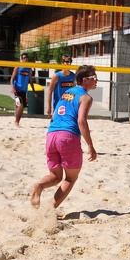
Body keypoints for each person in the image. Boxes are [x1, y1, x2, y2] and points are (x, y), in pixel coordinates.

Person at [31, 65, 98, 209]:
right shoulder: (85, 97)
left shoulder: (66, 93)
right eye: (94, 77)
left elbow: (55, 115)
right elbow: (81, 121)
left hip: (51, 134)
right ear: (85, 80)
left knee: (55, 177)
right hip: (68, 136)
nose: (96, 80)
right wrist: (90, 146)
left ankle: (40, 186)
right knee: (71, 178)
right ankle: (50, 210)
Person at [10, 53, 35, 127]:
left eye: (27, 58)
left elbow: (31, 81)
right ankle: (16, 122)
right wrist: (12, 88)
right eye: (24, 58)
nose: (26, 59)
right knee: (20, 106)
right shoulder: (18, 66)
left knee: (22, 107)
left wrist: (34, 91)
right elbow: (12, 79)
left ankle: (17, 121)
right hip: (17, 90)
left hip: (24, 91)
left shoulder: (29, 68)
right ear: (21, 59)